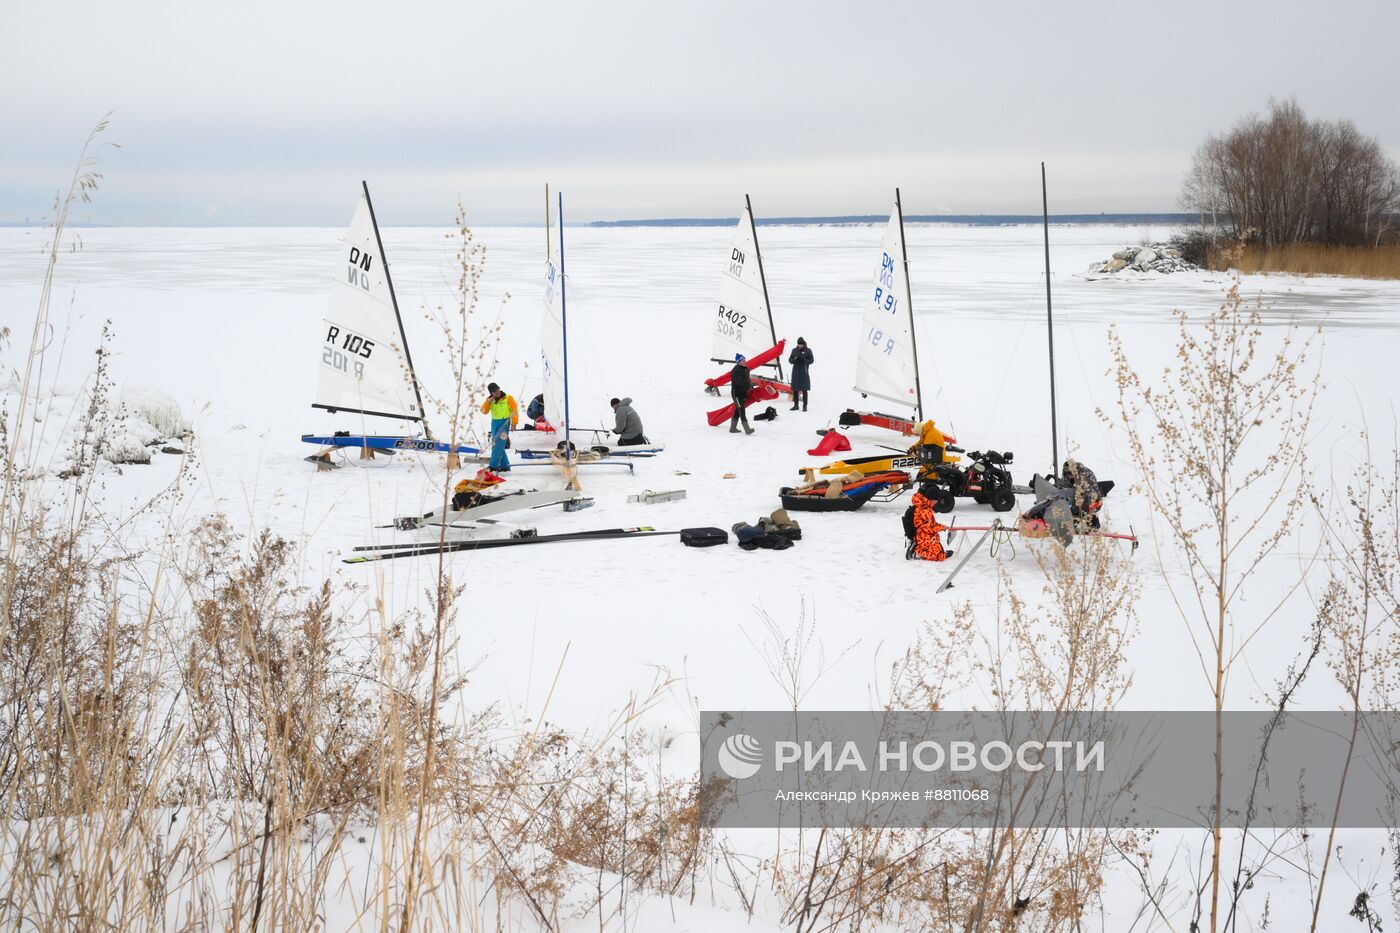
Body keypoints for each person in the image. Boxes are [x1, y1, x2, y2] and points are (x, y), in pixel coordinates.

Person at [479, 382, 518, 471]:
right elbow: (483, 411)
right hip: (494, 424)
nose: (497, 392)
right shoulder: (490, 400)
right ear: (491, 393)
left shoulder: (508, 398)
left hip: (504, 424)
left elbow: (515, 410)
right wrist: (487, 402)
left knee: (497, 445)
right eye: (494, 391)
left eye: (497, 390)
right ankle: (505, 466)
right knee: (498, 445)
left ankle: (493, 466)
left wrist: (514, 424)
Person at [729, 354, 755, 435]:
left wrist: (750, 386)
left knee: (737, 410)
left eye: (745, 360)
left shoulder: (747, 369)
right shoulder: (735, 371)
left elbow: (747, 379)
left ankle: (732, 428)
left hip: (743, 393)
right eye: (742, 361)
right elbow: (739, 382)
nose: (745, 361)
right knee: (741, 410)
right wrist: (749, 383)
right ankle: (747, 429)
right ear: (738, 362)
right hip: (736, 393)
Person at [788, 337, 813, 411]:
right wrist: (794, 359)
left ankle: (805, 406)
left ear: (804, 344)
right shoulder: (794, 350)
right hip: (795, 372)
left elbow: (811, 360)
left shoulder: (808, 351)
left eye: (801, 344)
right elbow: (790, 360)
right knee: (795, 389)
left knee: (804, 389)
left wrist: (804, 360)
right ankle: (796, 405)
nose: (800, 346)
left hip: (804, 373)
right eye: (799, 344)